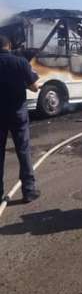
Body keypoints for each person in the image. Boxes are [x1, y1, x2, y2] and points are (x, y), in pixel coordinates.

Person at [0, 35, 41, 203]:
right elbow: (34, 87)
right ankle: (29, 191)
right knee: (23, 151)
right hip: (18, 113)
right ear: (9, 45)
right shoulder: (20, 62)